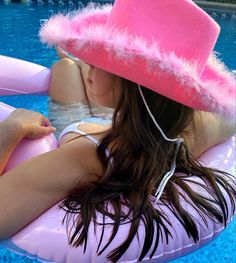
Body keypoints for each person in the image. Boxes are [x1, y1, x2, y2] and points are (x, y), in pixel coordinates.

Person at [0, 0, 235, 262]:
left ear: (130, 82)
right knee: (72, 72)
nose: (93, 63)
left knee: (64, 71)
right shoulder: (199, 125)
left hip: (78, 125)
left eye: (100, 58)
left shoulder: (80, 158)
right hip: (121, 118)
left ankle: (72, 64)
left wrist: (8, 132)